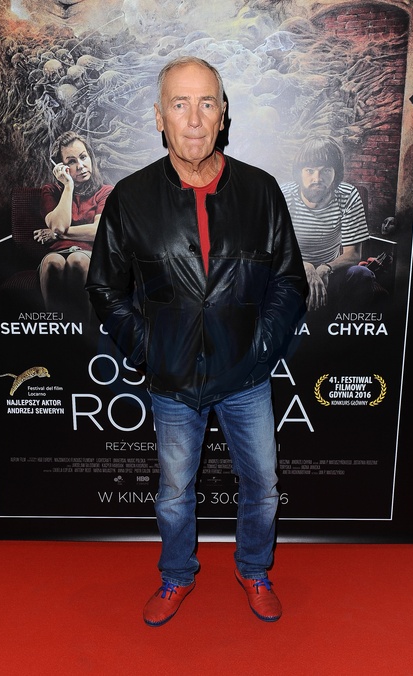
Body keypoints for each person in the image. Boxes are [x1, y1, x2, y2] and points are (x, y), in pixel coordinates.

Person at [86, 56, 307, 626]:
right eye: (179, 104)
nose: (193, 119)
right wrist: (150, 350)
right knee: (174, 492)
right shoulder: (131, 197)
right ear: (159, 116)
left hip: (246, 374)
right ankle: (177, 575)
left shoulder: (261, 190)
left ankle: (254, 569)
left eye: (206, 103)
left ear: (223, 114)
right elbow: (105, 288)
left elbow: (289, 281)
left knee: (263, 486)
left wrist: (260, 347)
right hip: (172, 378)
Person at [281, 135, 375, 313]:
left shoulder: (348, 195)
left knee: (362, 274)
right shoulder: (283, 196)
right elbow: (271, 250)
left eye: (325, 171)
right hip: (289, 272)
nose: (317, 178)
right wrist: (304, 266)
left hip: (330, 272)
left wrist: (325, 268)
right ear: (299, 173)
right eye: (310, 170)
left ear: (335, 173)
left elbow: (353, 254)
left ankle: (344, 328)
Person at [34, 131, 113, 322]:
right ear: (59, 167)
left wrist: (56, 235)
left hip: (89, 254)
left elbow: (97, 232)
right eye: (71, 162)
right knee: (53, 262)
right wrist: (68, 186)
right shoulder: (51, 191)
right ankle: (57, 330)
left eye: (83, 157)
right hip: (57, 253)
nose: (80, 166)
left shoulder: (105, 192)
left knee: (77, 260)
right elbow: (59, 225)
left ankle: (84, 331)